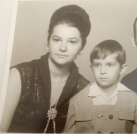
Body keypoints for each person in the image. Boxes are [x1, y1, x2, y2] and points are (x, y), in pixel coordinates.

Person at [0, 5, 91, 133]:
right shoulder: (18, 76)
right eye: (57, 39)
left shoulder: (85, 89)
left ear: (82, 47)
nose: (63, 48)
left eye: (72, 41)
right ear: (48, 41)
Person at [63, 40, 137, 133]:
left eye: (110, 65)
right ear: (91, 68)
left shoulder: (134, 100)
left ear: (122, 69)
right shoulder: (76, 101)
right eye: (97, 65)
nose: (103, 71)